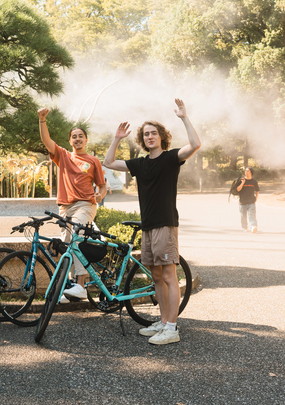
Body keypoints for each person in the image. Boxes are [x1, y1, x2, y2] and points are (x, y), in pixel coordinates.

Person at [103, 98, 201, 345]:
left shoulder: (171, 158)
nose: (149, 137)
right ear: (142, 139)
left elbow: (195, 144)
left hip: (165, 224)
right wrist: (116, 139)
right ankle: (162, 320)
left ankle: (172, 327)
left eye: (153, 133)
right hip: (147, 226)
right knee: (155, 277)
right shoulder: (140, 164)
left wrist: (183, 117)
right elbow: (108, 163)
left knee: (169, 276)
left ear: (161, 137)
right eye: (146, 134)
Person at [38, 107, 107, 302]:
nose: (77, 139)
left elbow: (101, 187)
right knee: (66, 245)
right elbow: (46, 141)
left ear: (86, 140)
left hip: (85, 205)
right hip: (65, 208)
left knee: (77, 239)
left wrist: (100, 195)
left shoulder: (93, 161)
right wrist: (42, 120)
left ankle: (81, 286)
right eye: (74, 137)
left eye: (81, 136)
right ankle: (69, 288)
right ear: (70, 141)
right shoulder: (64, 156)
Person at [236, 167, 259, 233]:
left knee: (252, 214)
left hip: (251, 201)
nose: (246, 172)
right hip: (242, 202)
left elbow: (257, 191)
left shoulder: (254, 181)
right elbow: (238, 189)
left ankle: (253, 226)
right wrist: (242, 183)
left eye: (247, 171)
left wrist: (256, 198)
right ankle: (245, 227)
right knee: (243, 216)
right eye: (245, 171)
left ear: (251, 172)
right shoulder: (241, 180)